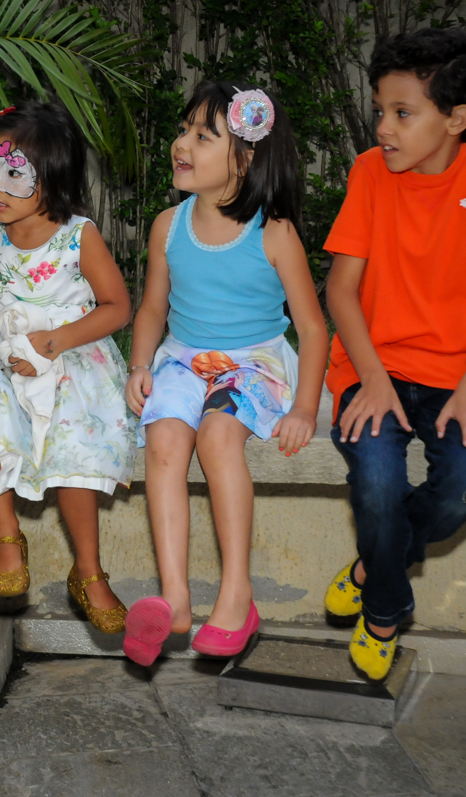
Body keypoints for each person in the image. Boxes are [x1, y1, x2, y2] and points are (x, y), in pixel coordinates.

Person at [322, 28, 466, 680]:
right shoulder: (368, 173)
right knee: (378, 483)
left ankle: (370, 564)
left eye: (402, 113)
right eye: (379, 110)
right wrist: (373, 381)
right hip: (370, 369)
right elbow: (341, 289)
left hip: (454, 378)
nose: (384, 126)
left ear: (455, 118)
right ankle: (384, 610)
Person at [122, 82, 329, 666]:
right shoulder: (169, 226)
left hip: (254, 361)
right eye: (183, 129)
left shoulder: (273, 232)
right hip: (184, 356)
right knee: (162, 436)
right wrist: (141, 365)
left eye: (202, 136)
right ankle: (176, 598)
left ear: (245, 159)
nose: (181, 143)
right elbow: (152, 311)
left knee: (216, 437)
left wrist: (306, 408)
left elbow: (313, 329)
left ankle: (237, 593)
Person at [0, 103, 135, 634]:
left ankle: (87, 570)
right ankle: (6, 536)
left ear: (53, 177)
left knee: (74, 443)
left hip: (69, 357)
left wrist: (55, 340)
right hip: (1, 356)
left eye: (14, 172)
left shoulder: (79, 237)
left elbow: (118, 307)